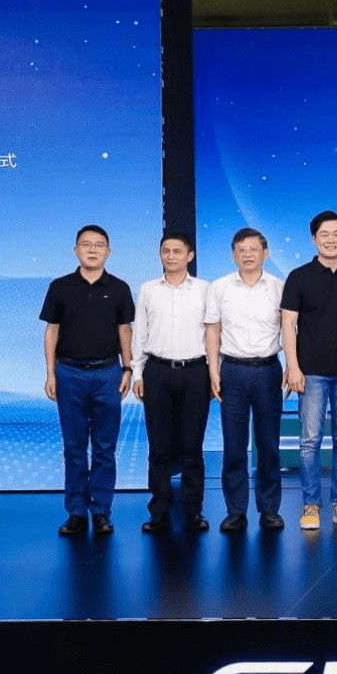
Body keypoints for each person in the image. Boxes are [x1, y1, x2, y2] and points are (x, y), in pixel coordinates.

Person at [40, 224, 134, 536]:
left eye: (99, 245)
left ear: (109, 251)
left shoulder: (119, 288)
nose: (92, 250)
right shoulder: (60, 287)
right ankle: (76, 512)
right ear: (75, 250)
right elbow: (52, 331)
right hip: (69, 373)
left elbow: (125, 330)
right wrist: (50, 373)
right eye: (86, 244)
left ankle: (102, 511)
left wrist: (128, 369)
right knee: (74, 447)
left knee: (105, 447)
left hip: (108, 374)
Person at [281, 211, 337, 531]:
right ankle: (311, 504)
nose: (331, 239)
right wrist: (293, 367)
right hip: (310, 372)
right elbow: (288, 325)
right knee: (309, 441)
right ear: (314, 239)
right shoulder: (299, 277)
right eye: (324, 234)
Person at [205, 227, 286, 533]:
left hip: (268, 370)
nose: (248, 254)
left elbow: (289, 330)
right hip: (233, 371)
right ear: (233, 255)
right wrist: (213, 371)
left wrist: (292, 366)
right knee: (234, 446)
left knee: (268, 444)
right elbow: (212, 330)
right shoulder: (220, 287)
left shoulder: (279, 287)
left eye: (253, 249)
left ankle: (269, 508)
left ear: (265, 253)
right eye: (241, 250)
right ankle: (235, 510)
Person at [131, 231, 211, 533]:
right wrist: (138, 373)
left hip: (195, 371)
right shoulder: (148, 289)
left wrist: (214, 374)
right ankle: (159, 510)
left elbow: (213, 333)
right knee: (159, 446)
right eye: (166, 251)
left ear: (190, 255)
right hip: (158, 371)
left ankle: (193, 509)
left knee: (192, 445)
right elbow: (140, 334)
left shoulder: (205, 289)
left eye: (177, 251)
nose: (171, 256)